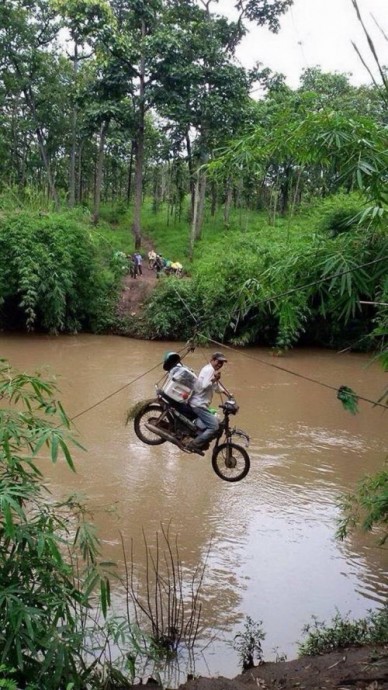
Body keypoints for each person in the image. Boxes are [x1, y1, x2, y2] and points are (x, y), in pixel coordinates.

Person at [187, 352, 228, 451]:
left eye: (222, 363)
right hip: (199, 404)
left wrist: (227, 394)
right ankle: (194, 444)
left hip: (198, 403)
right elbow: (205, 385)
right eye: (219, 362)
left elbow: (215, 387)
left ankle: (198, 438)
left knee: (214, 420)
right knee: (214, 427)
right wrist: (215, 379)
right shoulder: (210, 370)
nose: (220, 365)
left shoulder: (209, 369)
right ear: (212, 360)